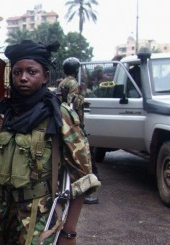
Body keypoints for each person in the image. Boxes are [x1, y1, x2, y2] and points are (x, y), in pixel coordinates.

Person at [0, 40, 100, 245]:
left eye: (31, 72)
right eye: (17, 72)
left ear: (45, 76)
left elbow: (82, 179)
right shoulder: (6, 113)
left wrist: (69, 232)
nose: (23, 78)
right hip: (0, 211)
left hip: (38, 217)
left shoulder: (60, 116)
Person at [58, 57, 100, 205]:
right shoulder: (73, 84)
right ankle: (87, 192)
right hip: (73, 124)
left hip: (64, 122)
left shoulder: (62, 83)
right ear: (77, 70)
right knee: (84, 159)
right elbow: (73, 105)